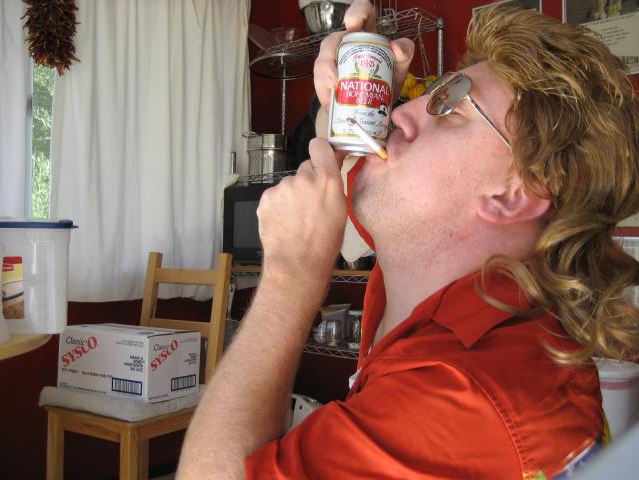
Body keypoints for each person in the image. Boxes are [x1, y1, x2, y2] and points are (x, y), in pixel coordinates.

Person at [177, 1, 639, 478]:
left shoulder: (461, 396)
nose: (400, 113)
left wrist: (289, 278)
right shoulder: (434, 267)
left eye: (451, 109)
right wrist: (353, 92)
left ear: (514, 195)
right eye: (432, 94)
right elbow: (360, 171)